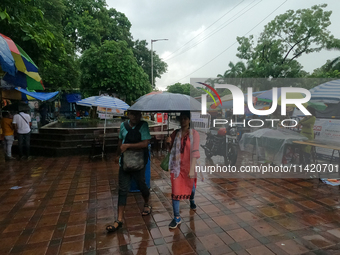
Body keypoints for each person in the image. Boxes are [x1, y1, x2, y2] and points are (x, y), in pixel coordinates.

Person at [106, 110, 151, 233]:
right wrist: (117, 155)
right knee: (123, 189)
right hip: (125, 162)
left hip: (139, 162)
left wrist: (128, 146)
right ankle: (119, 219)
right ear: (128, 115)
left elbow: (145, 143)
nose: (136, 116)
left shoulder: (143, 125)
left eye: (138, 114)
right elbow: (120, 142)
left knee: (142, 185)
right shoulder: (123, 126)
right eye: (133, 114)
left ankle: (147, 203)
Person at [166, 111, 200, 229]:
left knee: (192, 189)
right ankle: (176, 217)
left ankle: (191, 199)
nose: (183, 121)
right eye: (181, 118)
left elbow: (195, 152)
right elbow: (171, 151)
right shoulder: (175, 133)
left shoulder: (194, 134)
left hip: (189, 166)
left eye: (185, 118)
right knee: (175, 190)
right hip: (176, 167)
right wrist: (168, 143)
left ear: (189, 120)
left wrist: (191, 169)